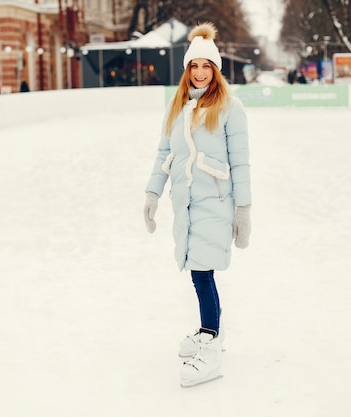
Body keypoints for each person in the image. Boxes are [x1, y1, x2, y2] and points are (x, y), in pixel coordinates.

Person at [143, 22, 251, 388]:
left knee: (203, 273)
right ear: (187, 70)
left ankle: (211, 342)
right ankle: (210, 333)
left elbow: (241, 162)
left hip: (217, 202)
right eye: (194, 66)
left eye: (207, 66)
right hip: (185, 203)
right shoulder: (176, 107)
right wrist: (152, 193)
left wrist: (244, 209)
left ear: (216, 70)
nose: (201, 72)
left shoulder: (229, 108)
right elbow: (163, 154)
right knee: (197, 271)